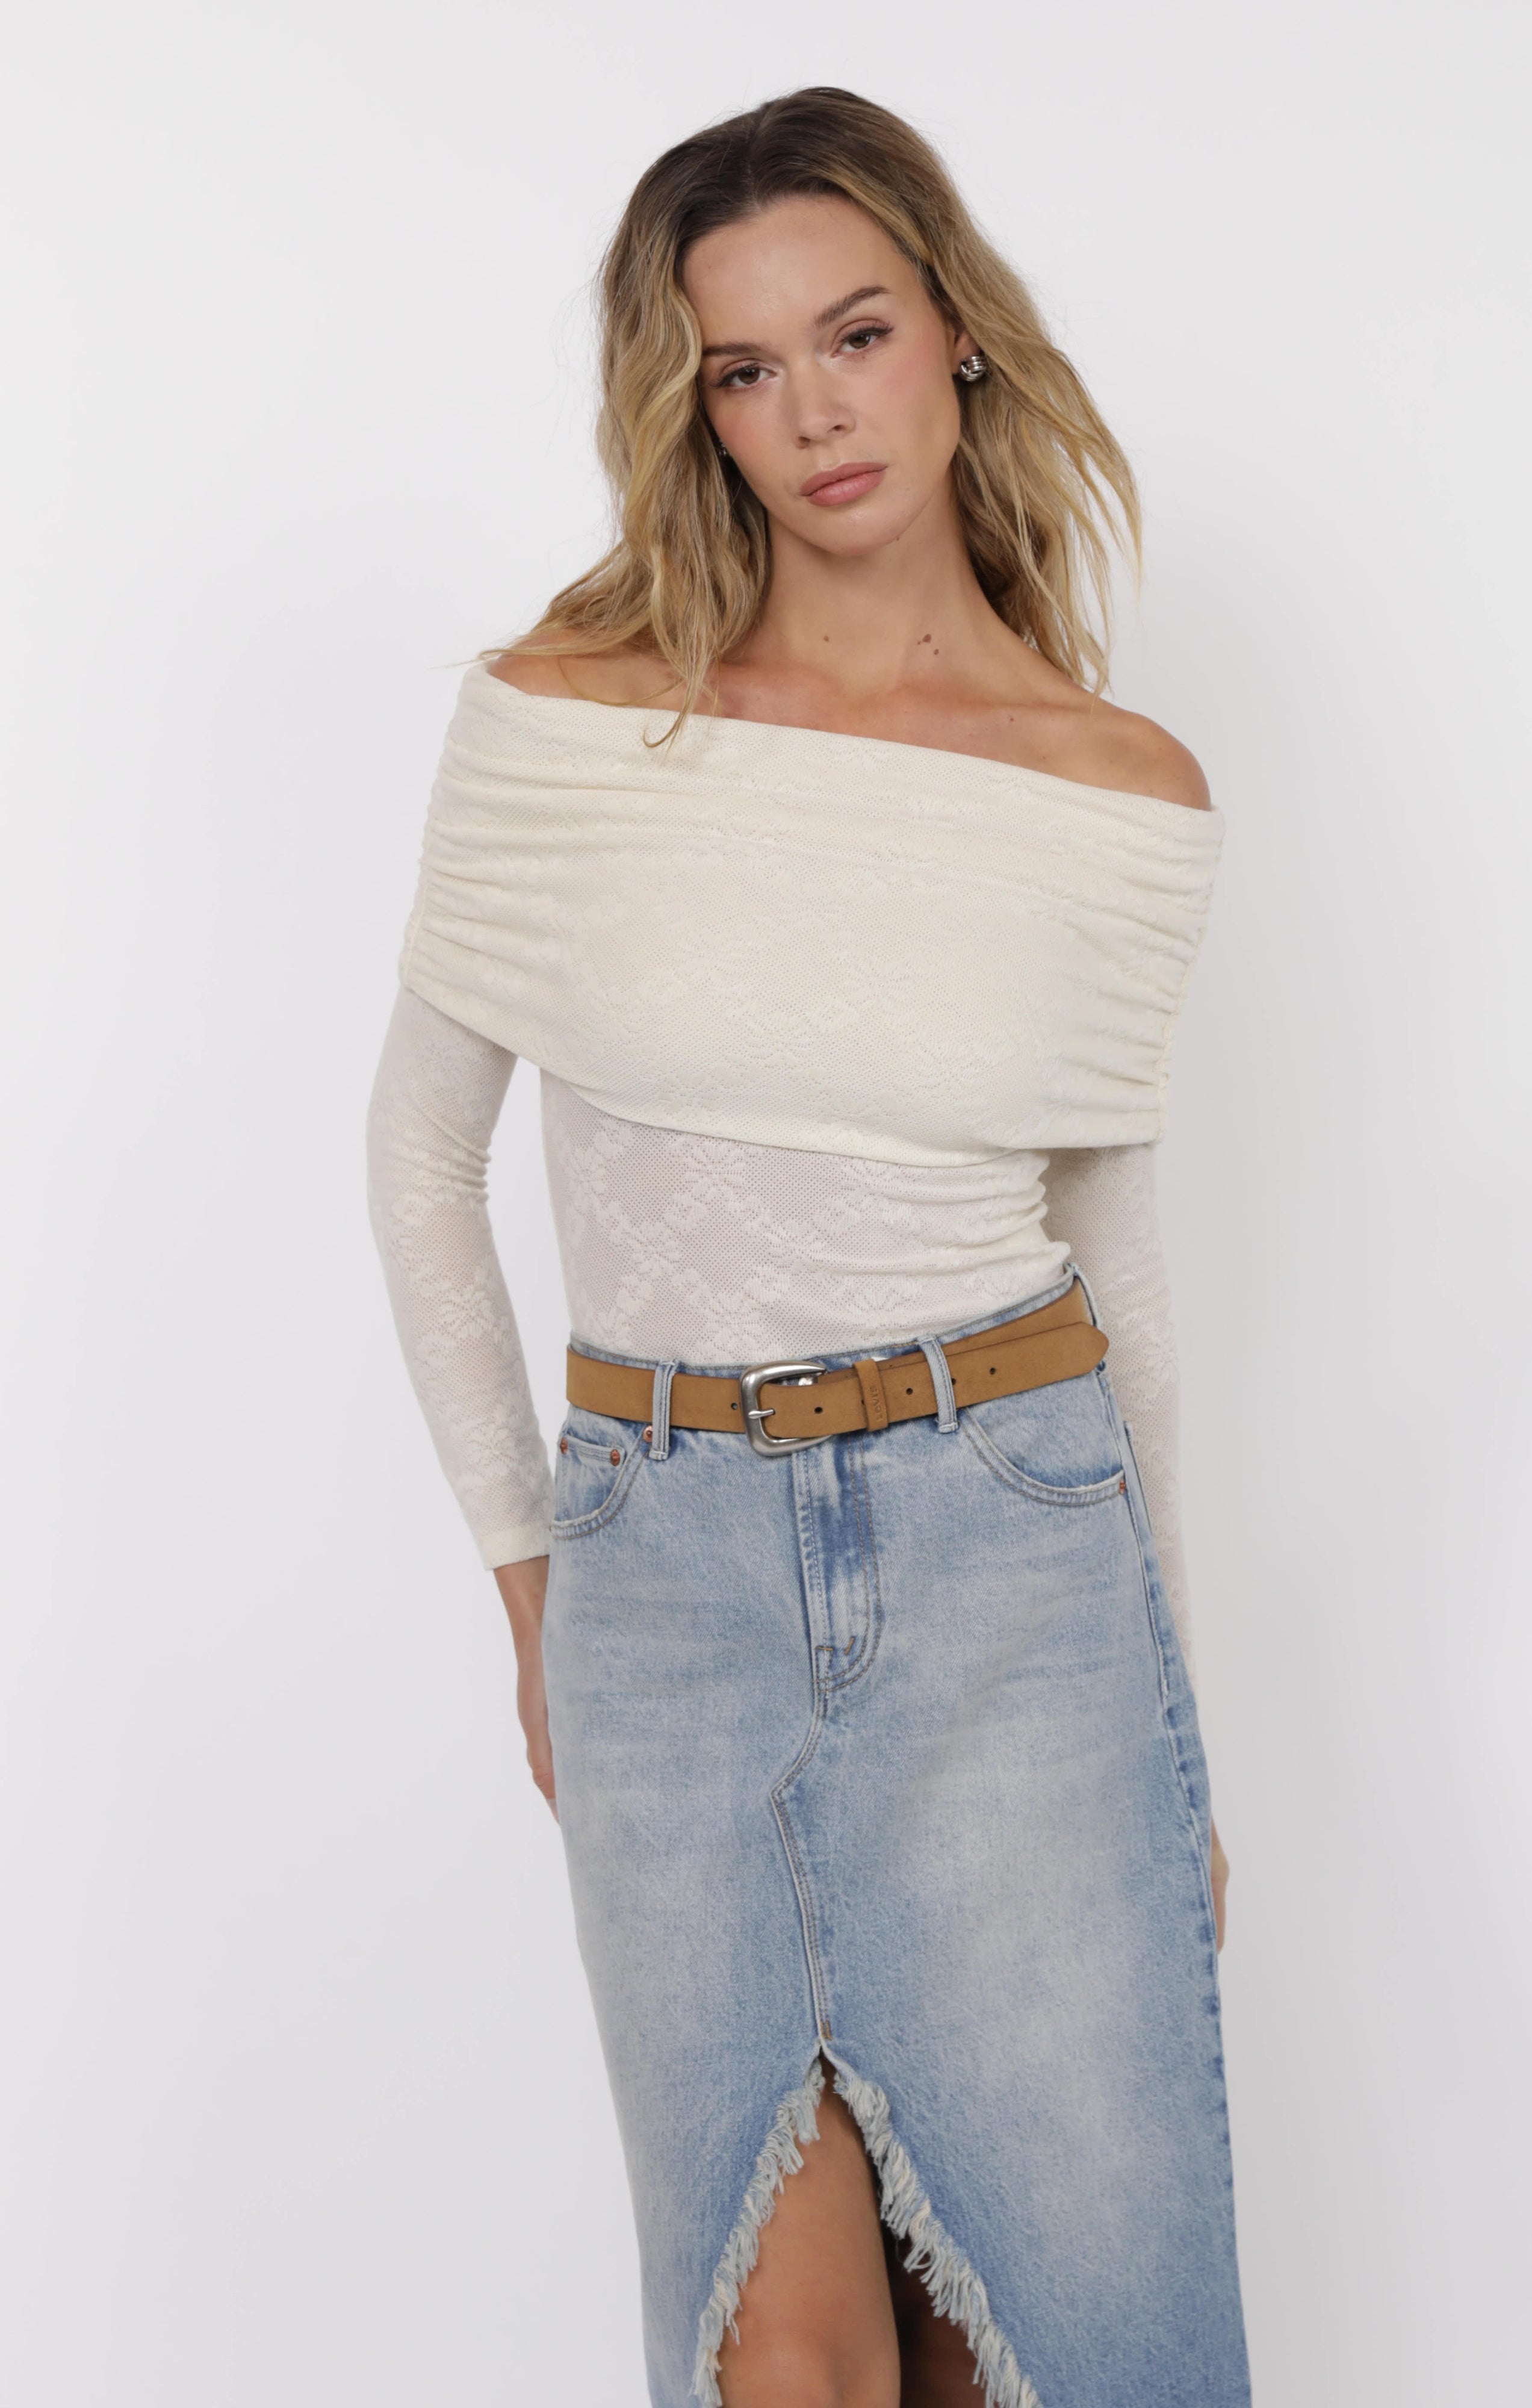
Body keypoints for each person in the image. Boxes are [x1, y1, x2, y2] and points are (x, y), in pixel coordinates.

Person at [367, 86, 1248, 2408]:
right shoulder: (568, 723)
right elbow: (421, 1156)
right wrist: (535, 1587)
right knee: (786, 2362)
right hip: (657, 1570)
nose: (812, 414)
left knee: (1026, 2357)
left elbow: (1122, 1279)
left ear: (955, 330)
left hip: (1018, 1570)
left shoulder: (1114, 790)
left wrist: (1179, 1731)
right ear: (691, 411)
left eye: (852, 335)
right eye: (741, 370)